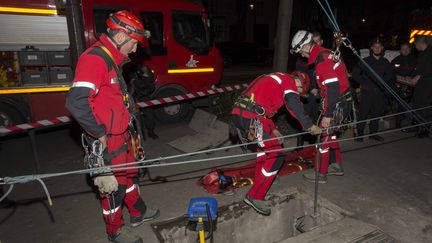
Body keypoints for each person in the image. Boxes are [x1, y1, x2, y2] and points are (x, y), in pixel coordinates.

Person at [66, 10, 159, 243]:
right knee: (113, 187)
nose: (135, 49)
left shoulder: (111, 60)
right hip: (109, 138)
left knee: (130, 176)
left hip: (122, 135)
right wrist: (98, 133)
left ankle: (138, 212)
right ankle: (114, 231)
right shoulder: (95, 59)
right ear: (120, 37)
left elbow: (111, 97)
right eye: (134, 43)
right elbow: (76, 102)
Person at [230, 71, 321, 216]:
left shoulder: (276, 80)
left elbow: (262, 108)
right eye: (299, 90)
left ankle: (262, 179)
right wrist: (309, 125)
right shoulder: (289, 82)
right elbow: (293, 105)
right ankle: (255, 195)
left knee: (264, 151)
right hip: (251, 118)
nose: (297, 93)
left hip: (242, 115)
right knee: (277, 155)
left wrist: (274, 129)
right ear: (299, 82)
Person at [290, 30, 351, 184]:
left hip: (336, 101)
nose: (301, 55)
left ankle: (321, 174)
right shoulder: (324, 53)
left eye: (299, 51)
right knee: (331, 135)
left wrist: (328, 114)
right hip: (342, 100)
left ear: (304, 47)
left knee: (324, 137)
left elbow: (333, 87)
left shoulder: (322, 59)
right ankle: (336, 165)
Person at [352, 38, 393, 142]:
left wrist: (383, 81)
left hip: (380, 92)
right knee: (363, 114)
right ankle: (360, 134)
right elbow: (355, 74)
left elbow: (390, 74)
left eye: (379, 47)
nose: (377, 48)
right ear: (371, 48)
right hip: (367, 92)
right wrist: (365, 84)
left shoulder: (385, 62)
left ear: (382, 48)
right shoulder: (365, 61)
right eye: (375, 47)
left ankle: (373, 133)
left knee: (377, 114)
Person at [409, 35, 432, 138]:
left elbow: (428, 69)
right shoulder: (423, 53)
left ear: (419, 43)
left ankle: (424, 130)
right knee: (417, 104)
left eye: (414, 44)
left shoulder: (430, 52)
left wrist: (418, 76)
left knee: (424, 106)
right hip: (421, 84)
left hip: (427, 84)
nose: (414, 46)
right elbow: (419, 67)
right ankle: (417, 126)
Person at [128, 64, 159, 139]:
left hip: (145, 98)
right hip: (136, 99)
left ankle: (150, 132)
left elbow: (149, 86)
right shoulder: (135, 76)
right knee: (136, 119)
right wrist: (133, 83)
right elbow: (131, 90)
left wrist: (136, 82)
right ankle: (138, 134)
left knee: (150, 117)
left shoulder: (148, 77)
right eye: (144, 70)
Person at [391, 43, 417, 128]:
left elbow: (419, 71)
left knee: (414, 104)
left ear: (410, 49)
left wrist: (411, 76)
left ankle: (414, 121)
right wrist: (401, 76)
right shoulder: (396, 60)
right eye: (403, 49)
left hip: (414, 86)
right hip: (400, 86)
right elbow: (392, 71)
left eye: (407, 49)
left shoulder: (415, 59)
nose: (405, 50)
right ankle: (398, 121)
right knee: (401, 104)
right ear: (400, 50)